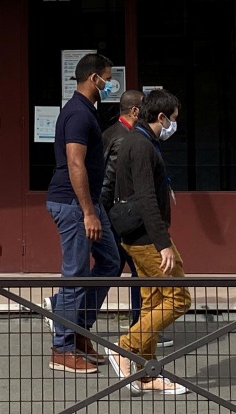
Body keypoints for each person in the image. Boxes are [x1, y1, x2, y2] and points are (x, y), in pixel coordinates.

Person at [104, 88, 189, 395]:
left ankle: (145, 373)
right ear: (162, 117)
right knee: (178, 299)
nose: (174, 126)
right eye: (174, 119)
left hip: (142, 235)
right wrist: (163, 242)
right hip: (146, 238)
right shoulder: (140, 145)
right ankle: (124, 348)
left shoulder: (140, 140)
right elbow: (146, 197)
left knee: (155, 302)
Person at [45, 53, 121, 374]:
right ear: (94, 79)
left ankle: (78, 330)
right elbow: (75, 162)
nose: (110, 83)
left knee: (110, 261)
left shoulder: (86, 111)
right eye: (108, 77)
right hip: (75, 204)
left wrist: (93, 207)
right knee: (75, 274)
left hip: (88, 202)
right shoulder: (77, 114)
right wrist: (88, 211)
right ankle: (62, 348)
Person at [99, 90, 152, 331]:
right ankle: (140, 326)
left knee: (112, 267)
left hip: (116, 215)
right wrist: (108, 215)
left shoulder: (113, 132)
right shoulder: (123, 139)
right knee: (140, 269)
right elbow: (109, 181)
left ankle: (71, 312)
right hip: (121, 216)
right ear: (134, 111)